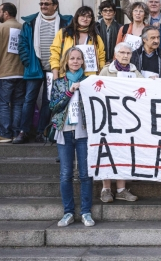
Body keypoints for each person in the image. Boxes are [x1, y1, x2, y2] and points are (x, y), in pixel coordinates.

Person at [49, 46, 94, 227]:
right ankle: (68, 212)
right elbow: (53, 106)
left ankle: (86, 212)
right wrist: (69, 92)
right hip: (65, 132)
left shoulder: (90, 82)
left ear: (83, 61)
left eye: (78, 58)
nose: (75, 61)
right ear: (66, 61)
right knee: (66, 174)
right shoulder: (59, 82)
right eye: (72, 58)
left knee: (85, 174)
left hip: (84, 134)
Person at [18, 0, 72, 144]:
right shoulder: (30, 22)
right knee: (29, 99)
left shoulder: (65, 22)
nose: (43, 6)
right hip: (35, 67)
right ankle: (23, 131)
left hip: (54, 68)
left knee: (48, 101)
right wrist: (28, 62)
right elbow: (22, 45)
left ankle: (42, 131)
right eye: (41, 4)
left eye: (47, 4)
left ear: (55, 5)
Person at [98, 43, 141, 202]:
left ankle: (122, 189)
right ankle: (106, 189)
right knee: (106, 153)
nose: (125, 56)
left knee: (123, 153)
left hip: (127, 120)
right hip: (108, 119)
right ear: (116, 55)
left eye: (128, 53)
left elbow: (144, 91)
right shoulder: (106, 71)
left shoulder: (135, 72)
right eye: (122, 52)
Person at [0, 3, 26, 143]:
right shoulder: (23, 28)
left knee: (3, 104)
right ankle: (16, 133)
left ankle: (4, 134)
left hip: (5, 73)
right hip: (21, 73)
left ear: (6, 13)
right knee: (18, 104)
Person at [50, 6, 106, 78]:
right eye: (82, 15)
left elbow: (101, 58)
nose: (85, 19)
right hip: (66, 76)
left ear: (91, 20)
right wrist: (55, 76)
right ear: (77, 17)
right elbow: (55, 55)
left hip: (90, 78)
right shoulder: (64, 33)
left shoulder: (96, 37)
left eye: (89, 17)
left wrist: (101, 76)